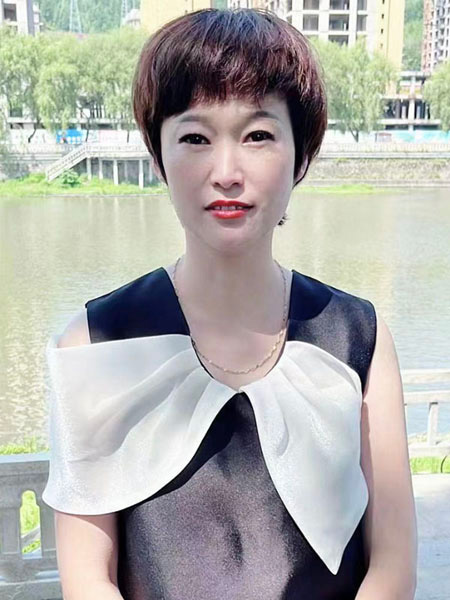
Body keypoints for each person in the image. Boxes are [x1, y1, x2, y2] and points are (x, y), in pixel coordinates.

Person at [42, 8, 417, 600]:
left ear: (301, 155)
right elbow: (88, 579)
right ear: (158, 157)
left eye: (258, 135)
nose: (226, 172)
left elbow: (392, 566)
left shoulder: (359, 336)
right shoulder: (95, 340)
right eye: (195, 137)